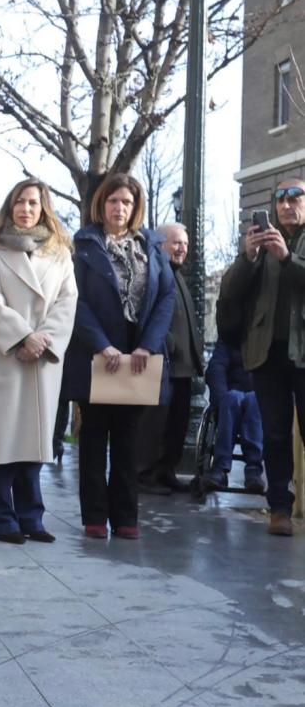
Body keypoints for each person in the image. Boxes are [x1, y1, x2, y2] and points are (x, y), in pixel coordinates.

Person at [64, 173, 176, 540]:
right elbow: (74, 300)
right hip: (97, 354)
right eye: (113, 200)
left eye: (126, 202)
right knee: (94, 436)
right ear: (102, 203)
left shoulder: (152, 248)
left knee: (128, 439)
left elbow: (165, 299)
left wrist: (147, 344)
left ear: (135, 207)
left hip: (138, 355)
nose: (119, 207)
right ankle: (95, 517)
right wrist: (101, 344)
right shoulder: (84, 245)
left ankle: (126, 517)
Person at [0, 179, 79, 543]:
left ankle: (32, 517)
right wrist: (22, 336)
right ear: (9, 205)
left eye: (33, 203)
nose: (26, 209)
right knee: (1, 441)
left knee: (34, 443)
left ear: (43, 208)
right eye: (19, 201)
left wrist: (43, 339)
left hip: (41, 359)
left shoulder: (59, 253)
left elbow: (68, 301)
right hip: (5, 356)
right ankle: (2, 519)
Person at [218, 177, 305, 535]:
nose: (286, 205)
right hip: (267, 353)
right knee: (274, 433)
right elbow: (231, 291)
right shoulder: (262, 244)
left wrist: (287, 258)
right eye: (280, 199)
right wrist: (248, 256)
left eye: (295, 197)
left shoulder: (286, 247)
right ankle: (279, 508)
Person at [136, 223, 205, 495]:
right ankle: (144, 475)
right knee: (153, 425)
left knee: (176, 425)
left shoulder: (177, 275)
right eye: (177, 242)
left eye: (185, 244)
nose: (182, 249)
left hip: (184, 368)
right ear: (161, 243)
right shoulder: (155, 271)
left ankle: (165, 471)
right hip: (164, 363)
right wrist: (166, 345)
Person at [204, 338, 264, 492]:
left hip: (258, 393)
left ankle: (253, 469)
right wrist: (220, 399)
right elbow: (216, 368)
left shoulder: (266, 341)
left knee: (254, 400)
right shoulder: (229, 339)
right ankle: (220, 467)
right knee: (231, 398)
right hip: (231, 393)